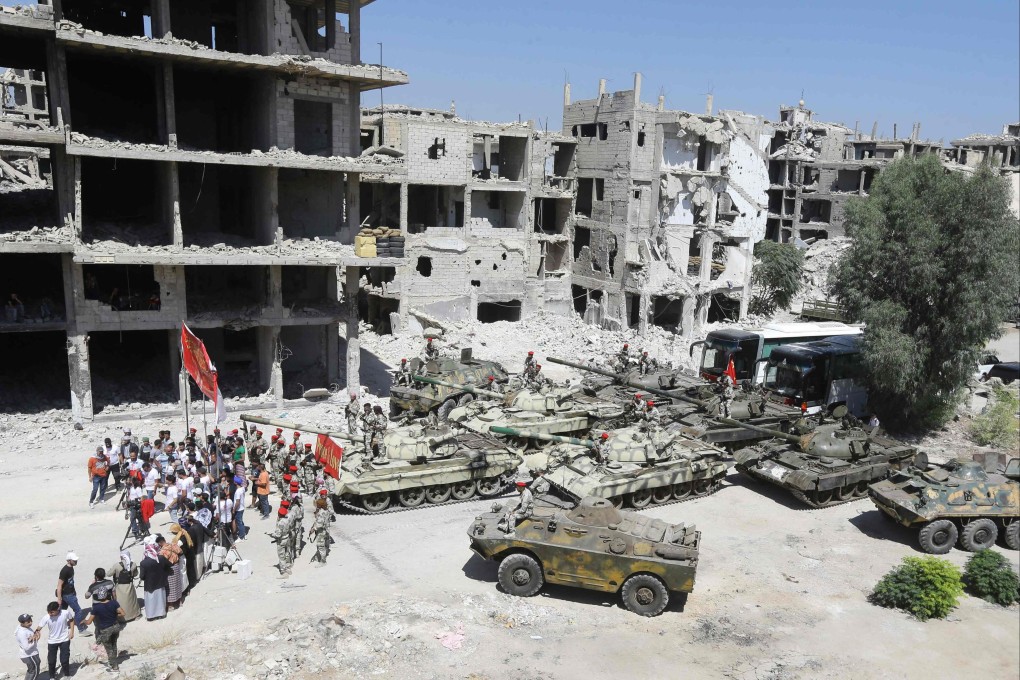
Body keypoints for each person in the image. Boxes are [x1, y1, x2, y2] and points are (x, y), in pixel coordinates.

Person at [82, 592, 125, 673]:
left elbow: (89, 622)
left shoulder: (96, 607)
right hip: (116, 627)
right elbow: (123, 613)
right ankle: (113, 661)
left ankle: (114, 666)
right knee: (114, 645)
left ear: (98, 597)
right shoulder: (114, 603)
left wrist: (84, 621)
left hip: (105, 630)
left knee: (109, 648)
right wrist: (114, 615)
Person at [36, 602, 73, 680]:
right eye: (48, 612)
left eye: (52, 612)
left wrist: (72, 632)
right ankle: (52, 677)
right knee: (51, 661)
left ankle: (67, 675)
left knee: (64, 659)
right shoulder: (46, 617)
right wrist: (35, 633)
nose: (50, 613)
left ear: (58, 609)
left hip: (64, 640)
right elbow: (39, 627)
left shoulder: (65, 613)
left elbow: (71, 620)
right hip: (52, 641)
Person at [55, 553, 88, 636]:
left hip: (69, 593)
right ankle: (81, 629)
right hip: (68, 595)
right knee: (78, 611)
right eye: (74, 560)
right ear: (69, 560)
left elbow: (70, 582)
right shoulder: (65, 570)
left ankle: (58, 626)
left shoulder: (71, 568)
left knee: (62, 611)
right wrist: (59, 599)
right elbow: (59, 586)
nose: (76, 561)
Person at [138, 537, 170, 621]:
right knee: (160, 599)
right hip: (160, 583)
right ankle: (161, 614)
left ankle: (151, 616)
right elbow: (168, 565)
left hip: (150, 585)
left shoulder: (143, 563)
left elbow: (142, 576)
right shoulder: (161, 558)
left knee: (151, 601)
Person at [110, 551, 141, 622]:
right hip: (129, 585)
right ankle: (135, 615)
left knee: (121, 602)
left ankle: (122, 617)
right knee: (132, 601)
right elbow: (136, 574)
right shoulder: (133, 564)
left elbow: (109, 574)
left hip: (119, 586)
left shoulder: (117, 565)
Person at [157, 534, 185, 611]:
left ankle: (171, 605)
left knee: (170, 587)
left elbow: (163, 562)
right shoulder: (173, 545)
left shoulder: (162, 551)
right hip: (176, 567)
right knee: (177, 584)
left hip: (169, 569)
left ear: (159, 543)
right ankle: (179, 602)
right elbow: (181, 552)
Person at [15, 614, 40, 680]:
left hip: (30, 654)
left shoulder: (22, 627)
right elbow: (26, 647)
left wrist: (33, 637)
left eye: (31, 620)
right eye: (28, 622)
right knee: (35, 670)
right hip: (29, 655)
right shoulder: (22, 633)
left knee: (31, 670)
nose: (31, 623)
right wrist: (35, 639)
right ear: (22, 623)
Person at [271, 507, 294, 578]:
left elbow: (278, 535)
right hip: (287, 539)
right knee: (287, 553)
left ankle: (283, 572)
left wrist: (272, 535)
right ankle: (288, 568)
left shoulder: (280, 522)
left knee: (281, 556)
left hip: (281, 541)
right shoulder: (287, 520)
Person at [308, 497, 331, 566]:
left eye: (317, 504)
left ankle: (323, 561)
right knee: (324, 544)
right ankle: (320, 556)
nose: (316, 505)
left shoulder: (321, 513)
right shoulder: (326, 511)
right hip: (326, 530)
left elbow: (319, 524)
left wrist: (313, 529)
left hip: (321, 532)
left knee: (320, 546)